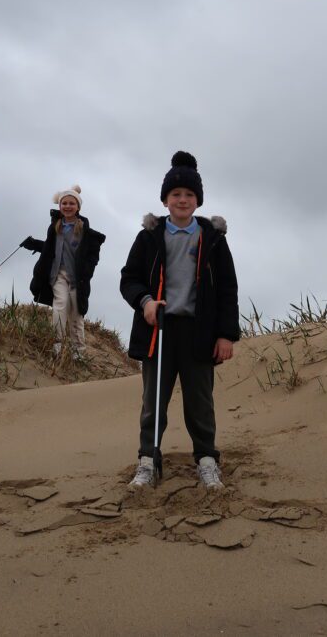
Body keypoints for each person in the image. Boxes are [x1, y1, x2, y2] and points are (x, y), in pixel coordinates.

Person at [119, 151, 240, 490]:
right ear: (165, 200)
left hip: (200, 333)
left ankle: (206, 459)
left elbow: (228, 288)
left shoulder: (213, 239)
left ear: (198, 200)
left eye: (189, 194)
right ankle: (148, 460)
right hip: (158, 330)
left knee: (200, 402)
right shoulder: (149, 236)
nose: (182, 200)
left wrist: (226, 334)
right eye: (175, 194)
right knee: (153, 403)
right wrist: (145, 302)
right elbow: (129, 278)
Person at [21, 185, 106, 358]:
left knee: (76, 313)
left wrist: (87, 271)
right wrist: (34, 244)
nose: (67, 206)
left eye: (71, 203)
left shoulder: (85, 230)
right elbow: (50, 248)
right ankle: (57, 346)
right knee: (60, 305)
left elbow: (92, 255)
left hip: (78, 278)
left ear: (78, 207)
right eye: (64, 203)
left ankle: (78, 352)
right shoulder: (55, 227)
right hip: (57, 274)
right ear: (59, 206)